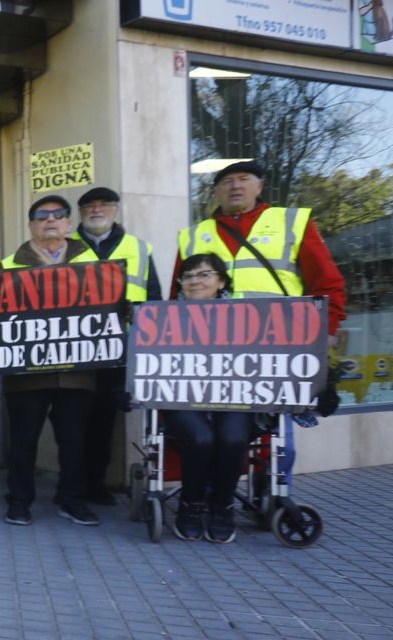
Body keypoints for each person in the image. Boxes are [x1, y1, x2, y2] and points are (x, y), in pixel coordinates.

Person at [173, 160, 347, 482]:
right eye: (227, 181)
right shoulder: (193, 236)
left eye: (244, 179)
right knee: (220, 429)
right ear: (215, 192)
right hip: (212, 353)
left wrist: (328, 332)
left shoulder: (291, 222)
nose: (236, 186)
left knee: (278, 437)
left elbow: (327, 283)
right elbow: (176, 298)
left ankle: (277, 492)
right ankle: (214, 493)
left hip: (277, 348)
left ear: (260, 186)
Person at [0, 195, 100, 527]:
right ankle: (18, 502)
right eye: (42, 216)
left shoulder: (95, 264)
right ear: (31, 225)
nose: (50, 220)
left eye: (58, 215)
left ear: (69, 224)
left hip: (77, 372)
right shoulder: (8, 266)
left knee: (75, 442)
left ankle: (72, 500)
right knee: (23, 442)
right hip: (25, 374)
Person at [72, 186, 160, 506]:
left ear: (116, 209)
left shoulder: (139, 248)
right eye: (90, 205)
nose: (97, 210)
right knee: (72, 421)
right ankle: (73, 486)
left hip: (119, 350)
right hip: (73, 348)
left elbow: (153, 299)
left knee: (104, 420)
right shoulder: (65, 246)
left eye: (104, 204)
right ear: (80, 212)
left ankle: (95, 484)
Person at [162, 253, 251, 543]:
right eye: (188, 276)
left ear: (221, 281)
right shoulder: (163, 318)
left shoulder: (246, 317)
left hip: (233, 397)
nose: (195, 281)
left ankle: (222, 507)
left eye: (204, 275)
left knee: (234, 438)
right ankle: (190, 505)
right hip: (183, 398)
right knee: (201, 438)